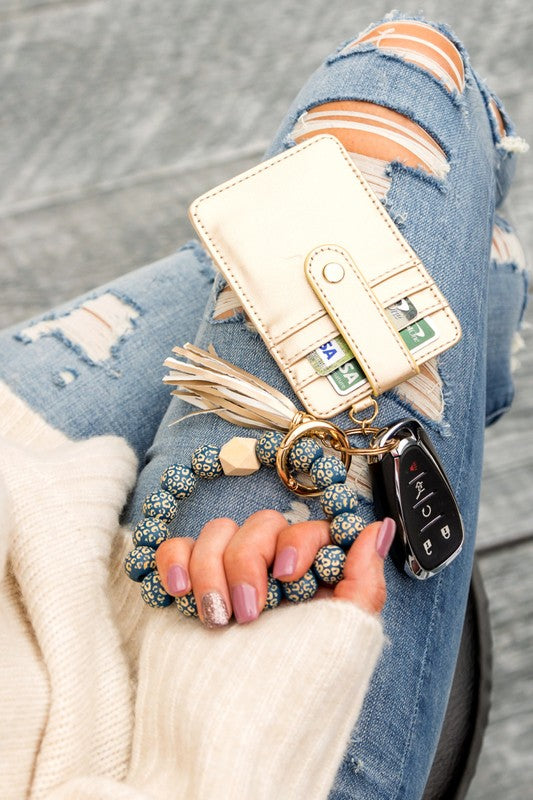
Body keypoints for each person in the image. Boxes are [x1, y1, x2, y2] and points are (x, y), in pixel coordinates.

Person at [0, 11, 528, 800]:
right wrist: (256, 698)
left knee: (277, 229)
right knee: (398, 83)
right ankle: (479, 274)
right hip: (145, 745)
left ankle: (480, 286)